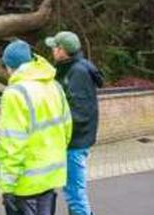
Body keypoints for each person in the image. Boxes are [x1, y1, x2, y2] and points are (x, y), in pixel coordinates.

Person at [0, 40, 72, 215]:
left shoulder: (14, 94)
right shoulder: (55, 86)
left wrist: (7, 185)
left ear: (11, 67)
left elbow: (12, 144)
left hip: (25, 182)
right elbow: (67, 128)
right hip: (51, 174)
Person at [45, 31, 104, 215]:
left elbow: (79, 113)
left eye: (55, 47)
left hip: (75, 142)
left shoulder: (77, 72)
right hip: (76, 140)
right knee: (73, 192)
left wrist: (59, 132)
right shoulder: (71, 68)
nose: (52, 51)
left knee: (74, 194)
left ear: (62, 51)